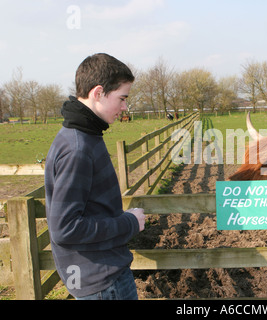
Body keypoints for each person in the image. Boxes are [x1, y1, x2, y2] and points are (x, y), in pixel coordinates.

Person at [45, 53, 146, 300]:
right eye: (122, 98)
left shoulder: (84, 135)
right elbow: (65, 229)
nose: (124, 108)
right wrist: (129, 223)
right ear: (98, 92)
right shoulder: (78, 148)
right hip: (102, 283)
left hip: (101, 273)